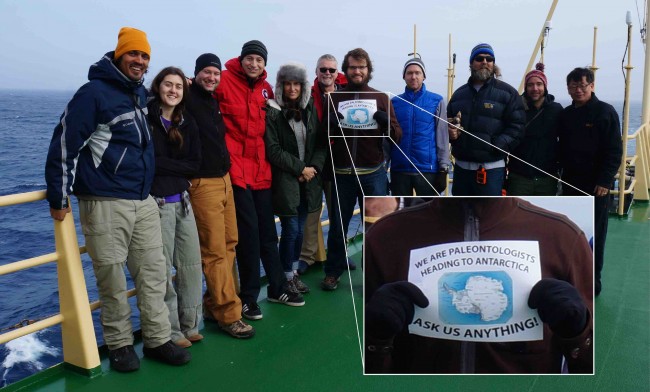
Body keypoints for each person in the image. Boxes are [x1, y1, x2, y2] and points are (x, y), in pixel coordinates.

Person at [45, 27, 190, 372]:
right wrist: (58, 195)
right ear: (119, 54)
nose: (140, 61)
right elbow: (65, 144)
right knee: (111, 276)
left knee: (154, 272)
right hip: (105, 200)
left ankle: (156, 339)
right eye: (133, 54)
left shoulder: (137, 95)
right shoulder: (93, 94)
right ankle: (120, 344)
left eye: (144, 57)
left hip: (142, 200)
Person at [364, 198, 593, 374]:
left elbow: (593, 369)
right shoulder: (383, 238)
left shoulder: (563, 238)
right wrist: (375, 338)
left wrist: (579, 335)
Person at [215, 40, 304, 320]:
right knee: (248, 238)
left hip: (262, 173)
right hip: (236, 173)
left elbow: (292, 109)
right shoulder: (224, 80)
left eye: (260, 60)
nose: (254, 64)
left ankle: (277, 288)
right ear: (241, 59)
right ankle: (249, 297)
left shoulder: (268, 90)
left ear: (265, 64)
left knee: (268, 233)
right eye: (250, 58)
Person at [185, 53, 255, 338]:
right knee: (214, 251)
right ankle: (229, 314)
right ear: (196, 73)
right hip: (203, 183)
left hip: (224, 179)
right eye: (206, 72)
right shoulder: (187, 96)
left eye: (216, 73)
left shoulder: (212, 100)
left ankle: (214, 304)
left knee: (229, 244)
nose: (212, 77)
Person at [321, 48, 402, 291]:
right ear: (345, 71)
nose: (357, 71)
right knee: (337, 227)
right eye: (353, 67)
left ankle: (373, 275)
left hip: (373, 174)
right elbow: (322, 139)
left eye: (362, 67)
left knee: (375, 227)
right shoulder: (334, 99)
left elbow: (397, 136)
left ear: (369, 70)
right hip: (342, 175)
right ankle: (333, 272)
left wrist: (386, 122)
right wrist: (328, 124)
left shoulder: (381, 98)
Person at [148, 67, 204, 348]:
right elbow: (149, 161)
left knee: (191, 265)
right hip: (156, 205)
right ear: (158, 87)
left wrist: (165, 166)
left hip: (182, 203)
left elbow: (195, 164)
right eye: (168, 85)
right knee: (161, 272)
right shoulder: (147, 120)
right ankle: (171, 331)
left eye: (179, 86)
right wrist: (175, 170)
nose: (173, 90)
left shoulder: (187, 123)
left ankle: (191, 325)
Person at [557, 67, 622, 296]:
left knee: (595, 232)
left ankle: (593, 281)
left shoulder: (605, 112)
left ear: (592, 86)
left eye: (582, 86)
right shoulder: (565, 115)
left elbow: (614, 150)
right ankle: (572, 275)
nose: (578, 91)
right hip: (570, 182)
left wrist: (605, 180)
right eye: (573, 87)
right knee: (573, 230)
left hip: (598, 187)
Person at [265, 62, 327, 294]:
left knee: (300, 230)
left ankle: (293, 273)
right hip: (286, 181)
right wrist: (301, 169)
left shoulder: (309, 108)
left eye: (296, 84)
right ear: (281, 86)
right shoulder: (273, 112)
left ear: (303, 86)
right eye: (287, 84)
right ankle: (286, 277)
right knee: (290, 230)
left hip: (308, 181)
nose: (292, 88)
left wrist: (313, 169)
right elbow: (273, 150)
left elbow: (320, 144)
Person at [447, 43, 525, 196]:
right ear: (471, 63)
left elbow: (518, 127)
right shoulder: (458, 95)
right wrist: (451, 133)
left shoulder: (508, 93)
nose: (485, 62)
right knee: (458, 213)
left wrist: (497, 145)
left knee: (489, 215)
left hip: (492, 171)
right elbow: (447, 125)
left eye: (489, 59)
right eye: (479, 58)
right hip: (462, 170)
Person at [298, 54, 349, 275]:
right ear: (316, 72)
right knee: (312, 209)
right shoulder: (307, 96)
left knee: (338, 211)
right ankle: (307, 256)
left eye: (331, 70)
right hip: (314, 161)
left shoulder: (347, 95)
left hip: (339, 160)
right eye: (323, 69)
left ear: (337, 73)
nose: (327, 73)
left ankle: (339, 254)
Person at [391, 56, 450, 196]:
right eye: (409, 73)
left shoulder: (436, 101)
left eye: (417, 73)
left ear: (424, 76)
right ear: (404, 77)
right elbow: (389, 138)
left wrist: (443, 169)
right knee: (401, 214)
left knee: (429, 215)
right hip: (400, 169)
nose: (413, 77)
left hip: (427, 170)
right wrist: (383, 167)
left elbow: (442, 136)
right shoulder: (394, 102)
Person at [507, 63, 563, 195]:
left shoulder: (556, 110)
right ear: (526, 87)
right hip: (519, 177)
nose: (535, 88)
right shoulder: (516, 109)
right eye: (530, 85)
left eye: (539, 84)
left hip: (548, 176)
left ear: (545, 86)